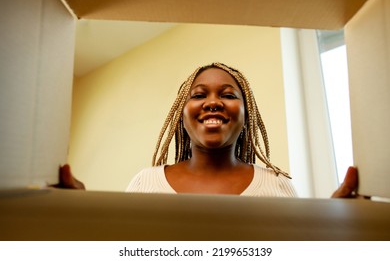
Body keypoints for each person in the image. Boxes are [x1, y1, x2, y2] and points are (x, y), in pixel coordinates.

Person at [54, 62, 359, 198]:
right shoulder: (145, 183)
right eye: (199, 95)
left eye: (228, 95)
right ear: (181, 116)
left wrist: (335, 226)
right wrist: (82, 217)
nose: (213, 102)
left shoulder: (277, 185)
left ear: (246, 113)